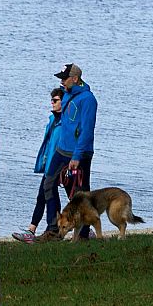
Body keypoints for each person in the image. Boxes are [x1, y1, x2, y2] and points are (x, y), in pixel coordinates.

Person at [12, 86, 66, 243]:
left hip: (58, 165)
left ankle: (47, 229)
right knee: (44, 196)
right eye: (52, 100)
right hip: (49, 165)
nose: (52, 103)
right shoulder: (53, 120)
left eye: (55, 100)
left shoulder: (64, 123)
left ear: (63, 102)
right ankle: (38, 229)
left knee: (48, 195)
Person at [51, 63, 98, 237]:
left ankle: (84, 233)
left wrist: (77, 156)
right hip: (61, 150)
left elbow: (86, 130)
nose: (62, 82)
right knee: (48, 185)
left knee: (81, 194)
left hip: (80, 153)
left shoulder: (88, 99)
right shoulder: (66, 95)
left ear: (75, 79)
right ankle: (53, 228)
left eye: (65, 78)